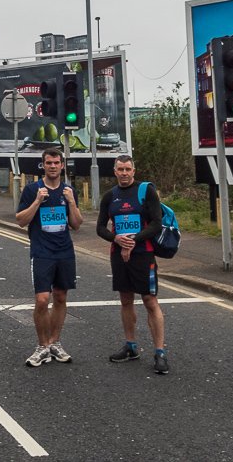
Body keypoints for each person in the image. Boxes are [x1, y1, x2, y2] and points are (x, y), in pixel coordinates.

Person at [97, 155, 169, 374]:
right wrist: (116, 239)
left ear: (134, 171)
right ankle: (131, 346)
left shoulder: (146, 191)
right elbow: (100, 227)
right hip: (118, 255)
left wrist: (133, 240)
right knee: (126, 300)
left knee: (150, 300)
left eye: (128, 169)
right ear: (115, 171)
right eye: (120, 169)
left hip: (143, 254)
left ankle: (160, 352)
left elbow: (157, 223)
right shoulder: (110, 196)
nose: (124, 173)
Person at [16, 148, 82, 367]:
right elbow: (21, 221)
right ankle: (42, 346)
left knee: (61, 297)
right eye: (48, 163)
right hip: (42, 252)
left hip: (64, 251)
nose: (52, 166)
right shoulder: (31, 189)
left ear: (62, 165)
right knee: (42, 300)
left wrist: (71, 202)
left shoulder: (69, 191)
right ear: (42, 165)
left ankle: (55, 343)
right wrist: (37, 201)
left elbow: (76, 224)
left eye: (56, 162)